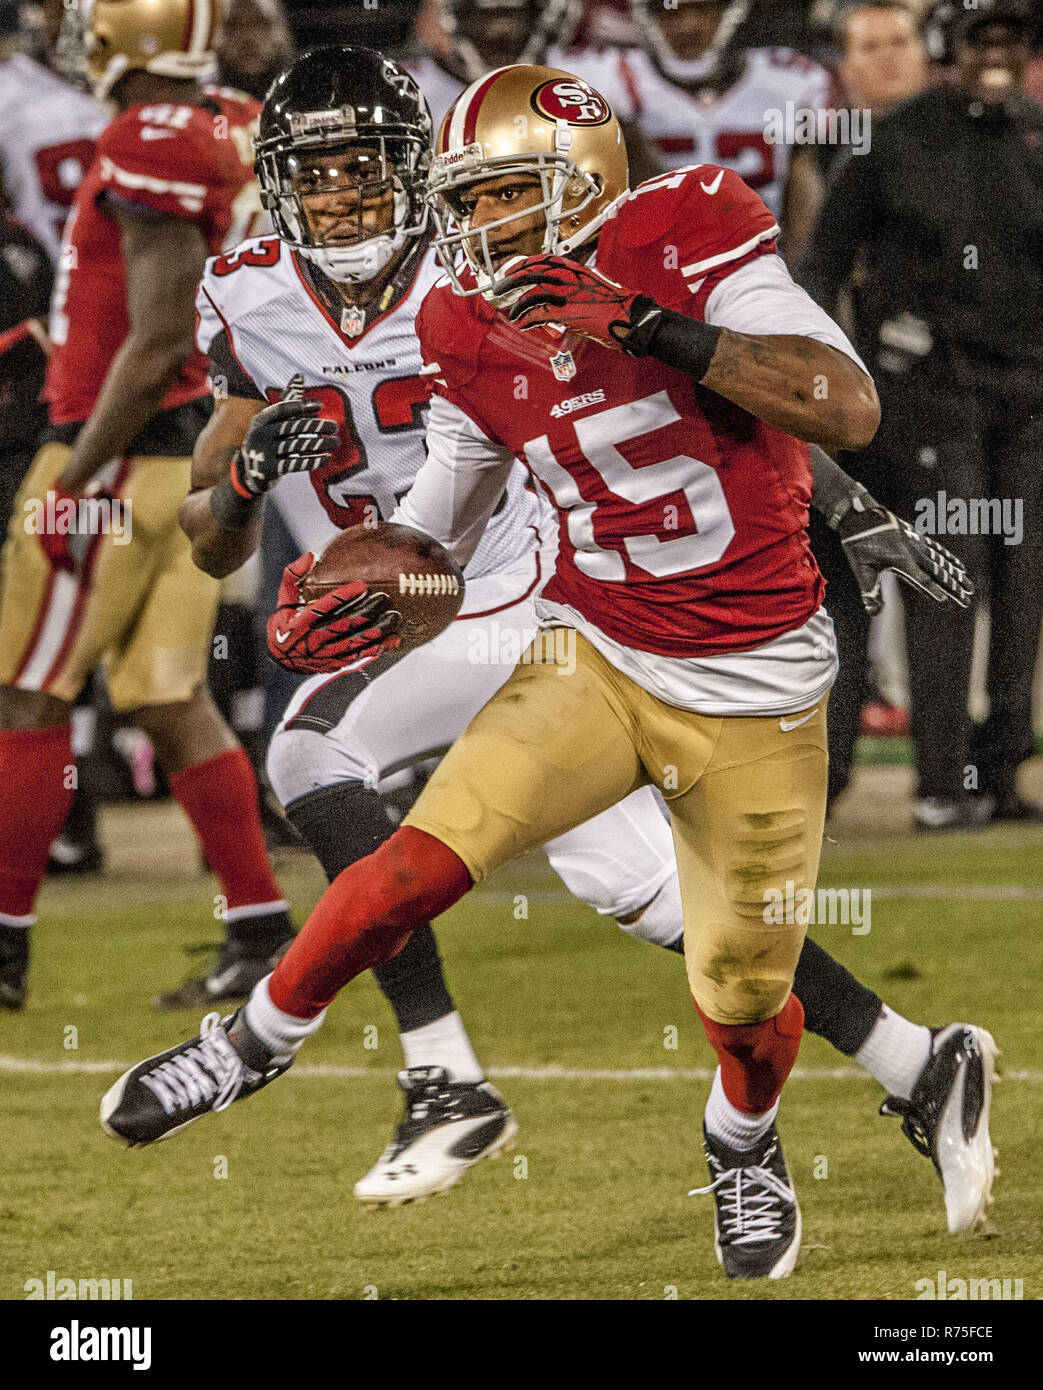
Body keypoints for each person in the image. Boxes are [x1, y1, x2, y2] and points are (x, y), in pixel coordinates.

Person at [104, 61, 997, 1272]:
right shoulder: (400, 306)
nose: (362, 206)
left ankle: (775, 1121)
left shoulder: (683, 227)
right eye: (317, 180)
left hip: (726, 661)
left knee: (726, 972)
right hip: (577, 636)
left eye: (376, 175)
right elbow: (400, 528)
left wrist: (831, 491)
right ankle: (319, 1056)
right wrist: (317, 535)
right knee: (388, 808)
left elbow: (817, 403)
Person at [0, 0, 293, 1011]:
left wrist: (77, 470)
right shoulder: (232, 120)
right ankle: (259, 926)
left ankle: (3, 943)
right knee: (170, 696)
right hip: (196, 457)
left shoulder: (145, 133)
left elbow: (162, 327)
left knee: (27, 689)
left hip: (122, 452)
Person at [800, 0, 1043, 829]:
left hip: (1025, 396)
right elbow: (818, 266)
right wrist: (825, 383)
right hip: (926, 396)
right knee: (950, 572)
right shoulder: (890, 140)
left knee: (1023, 580)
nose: (997, 55)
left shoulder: (1034, 137)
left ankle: (1001, 770)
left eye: (1012, 40)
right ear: (950, 47)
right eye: (983, 39)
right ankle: (943, 782)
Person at [568, 0, 831, 260]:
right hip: (652, 269)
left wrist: (808, 283)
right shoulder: (610, 81)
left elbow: (805, 216)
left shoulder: (790, 80)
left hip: (758, 264)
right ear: (647, 15)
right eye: (672, 13)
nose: (689, 27)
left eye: (702, 9)